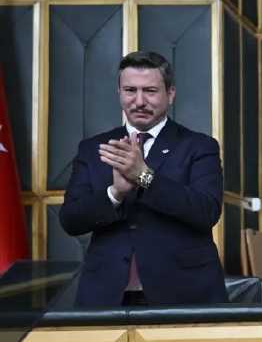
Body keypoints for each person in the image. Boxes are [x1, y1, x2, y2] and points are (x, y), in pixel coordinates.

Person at [59, 51, 227, 306]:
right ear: (119, 92)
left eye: (150, 91)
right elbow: (71, 220)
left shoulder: (199, 146)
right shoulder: (94, 148)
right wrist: (115, 193)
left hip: (183, 292)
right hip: (106, 294)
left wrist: (144, 176)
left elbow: (206, 211)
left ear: (170, 94)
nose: (139, 101)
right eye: (130, 90)